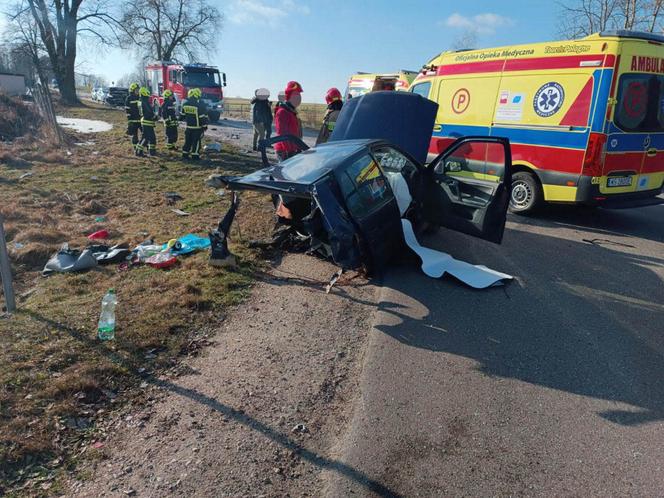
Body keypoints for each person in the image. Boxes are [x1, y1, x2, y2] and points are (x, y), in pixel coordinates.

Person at [274, 81, 303, 161]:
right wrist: (289, 151)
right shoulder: (283, 112)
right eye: (296, 95)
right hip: (284, 151)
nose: (299, 98)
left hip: (293, 149)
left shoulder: (292, 111)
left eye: (299, 95)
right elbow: (282, 134)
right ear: (289, 96)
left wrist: (298, 147)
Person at [181, 88, 208, 161]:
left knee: (188, 141)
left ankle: (185, 154)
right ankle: (195, 156)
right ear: (197, 95)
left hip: (188, 127)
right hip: (197, 128)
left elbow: (182, 116)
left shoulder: (185, 104)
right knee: (196, 142)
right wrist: (205, 126)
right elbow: (202, 117)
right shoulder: (198, 105)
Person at [137, 86, 157, 156]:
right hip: (147, 122)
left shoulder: (141, 101)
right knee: (149, 138)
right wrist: (154, 117)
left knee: (146, 137)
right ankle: (148, 152)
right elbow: (148, 112)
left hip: (145, 121)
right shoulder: (144, 101)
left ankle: (139, 151)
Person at [124, 82, 142, 156]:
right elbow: (127, 110)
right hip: (133, 121)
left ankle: (145, 146)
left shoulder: (140, 97)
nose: (138, 91)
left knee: (145, 134)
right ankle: (135, 148)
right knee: (135, 136)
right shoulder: (129, 98)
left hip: (141, 120)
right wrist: (130, 120)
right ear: (132, 90)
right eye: (136, 90)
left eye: (138, 90)